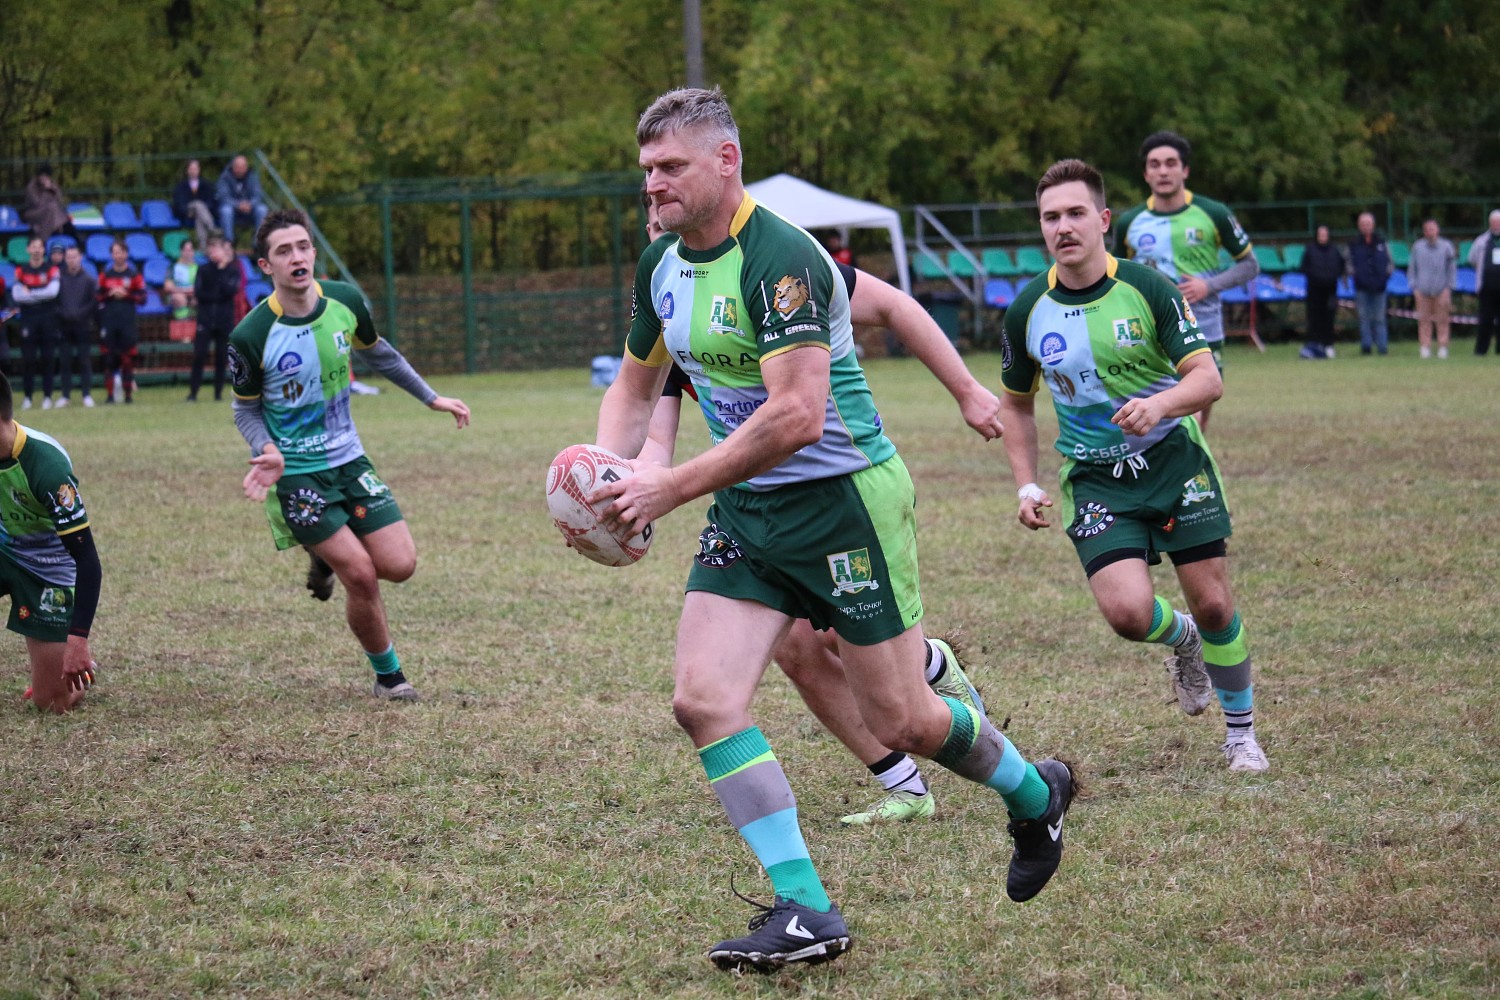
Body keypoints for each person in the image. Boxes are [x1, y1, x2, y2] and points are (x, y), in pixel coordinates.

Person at [592, 88, 1076, 973]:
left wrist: (671, 487)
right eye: (647, 170)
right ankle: (806, 909)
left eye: (670, 167)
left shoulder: (782, 260)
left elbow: (798, 417)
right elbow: (634, 388)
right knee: (703, 700)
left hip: (843, 504)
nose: (653, 185)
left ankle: (1034, 793)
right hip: (749, 509)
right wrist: (601, 479)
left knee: (905, 720)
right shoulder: (661, 264)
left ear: (726, 160)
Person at [636, 187, 1006, 827]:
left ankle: (933, 673)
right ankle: (905, 784)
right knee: (797, 651)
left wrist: (968, 389)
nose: (660, 228)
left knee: (859, 660)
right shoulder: (671, 307)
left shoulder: (778, 266)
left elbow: (892, 305)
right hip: (759, 506)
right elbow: (654, 432)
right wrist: (623, 489)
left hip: (838, 489)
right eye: (651, 218)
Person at [998, 158, 1268, 777]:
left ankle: (1241, 737)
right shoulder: (1027, 309)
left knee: (1215, 605)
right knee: (1126, 614)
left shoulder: (1149, 288)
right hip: (1095, 478)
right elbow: (1015, 405)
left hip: (1174, 462)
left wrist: (1160, 404)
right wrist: (1026, 482)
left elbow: (1207, 379)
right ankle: (1184, 641)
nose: (1063, 227)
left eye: (1075, 213)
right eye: (1050, 217)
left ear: (1103, 220)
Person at [230, 209, 470, 702]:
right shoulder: (251, 336)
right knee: (360, 574)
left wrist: (431, 398)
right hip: (297, 474)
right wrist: (267, 449)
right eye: (283, 251)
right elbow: (245, 410)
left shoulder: (345, 301)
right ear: (266, 266)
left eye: (303, 246)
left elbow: (380, 354)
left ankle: (322, 556)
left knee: (400, 565)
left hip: (349, 460)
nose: (296, 256)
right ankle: (390, 678)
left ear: (313, 252)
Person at [1113, 131, 1257, 433]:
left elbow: (1249, 265)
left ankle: (1193, 453)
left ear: (1185, 170)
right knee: (1168, 413)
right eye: (1155, 165)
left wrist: (1208, 286)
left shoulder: (1213, 213)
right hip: (1150, 330)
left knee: (1199, 409)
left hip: (1204, 325)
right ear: (1146, 174)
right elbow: (1114, 275)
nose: (1163, 171)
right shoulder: (1129, 222)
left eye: (1170, 163)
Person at [0, 371, 102, 712]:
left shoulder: (47, 466)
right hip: (4, 548)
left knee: (52, 703)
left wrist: (78, 639)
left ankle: (77, 669)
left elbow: (87, 560)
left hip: (47, 568)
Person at [11, 236, 62, 411]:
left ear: (43, 250)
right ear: (28, 250)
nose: (36, 250)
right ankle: (28, 397)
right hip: (28, 318)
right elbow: (17, 295)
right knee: (28, 359)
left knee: (48, 357)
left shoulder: (52, 269)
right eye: (33, 247)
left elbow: (52, 292)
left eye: (39, 247)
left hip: (48, 318)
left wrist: (30, 292)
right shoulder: (21, 270)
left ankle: (47, 396)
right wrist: (40, 293)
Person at [189, 235, 241, 402]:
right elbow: (199, 293)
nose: (213, 253)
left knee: (221, 357)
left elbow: (230, 291)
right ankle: (193, 393)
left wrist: (221, 272)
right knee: (199, 355)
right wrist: (216, 294)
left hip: (224, 320)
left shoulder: (232, 270)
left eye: (216, 249)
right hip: (205, 319)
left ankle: (218, 393)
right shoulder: (203, 269)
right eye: (211, 250)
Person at [95, 237, 145, 404]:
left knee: (127, 359)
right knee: (109, 359)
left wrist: (126, 294)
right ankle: (110, 396)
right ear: (111, 255)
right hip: (109, 321)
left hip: (127, 321)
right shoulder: (105, 275)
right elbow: (97, 296)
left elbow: (143, 298)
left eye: (121, 252)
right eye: (115, 252)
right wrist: (110, 294)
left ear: (126, 254)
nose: (118, 255)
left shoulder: (134, 275)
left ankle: (128, 395)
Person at [1406, 219, 1456, 360]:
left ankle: (1442, 347)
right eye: (1427, 230)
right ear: (1424, 232)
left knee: (1443, 320)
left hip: (1442, 290)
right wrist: (1414, 287)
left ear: (1437, 230)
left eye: (1432, 229)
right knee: (1423, 320)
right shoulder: (1418, 247)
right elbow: (1412, 268)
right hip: (1422, 290)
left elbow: (1451, 269)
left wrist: (1449, 287)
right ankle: (1425, 347)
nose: (1430, 232)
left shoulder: (1447, 247)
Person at [54, 245, 97, 408]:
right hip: (64, 326)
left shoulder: (89, 280)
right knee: (65, 361)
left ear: (80, 258)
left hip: (83, 326)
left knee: (84, 360)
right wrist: (63, 314)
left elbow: (93, 303)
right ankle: (65, 395)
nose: (72, 260)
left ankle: (86, 394)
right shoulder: (59, 280)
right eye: (69, 257)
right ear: (65, 259)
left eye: (74, 257)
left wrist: (80, 314)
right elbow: (55, 302)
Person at [1348, 212, 1393, 356]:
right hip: (1361, 287)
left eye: (1368, 224)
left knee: (1380, 318)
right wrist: (1355, 276)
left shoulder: (1382, 242)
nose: (1366, 226)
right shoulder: (1353, 244)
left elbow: (1390, 263)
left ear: (1373, 225)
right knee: (1364, 318)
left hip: (1380, 287)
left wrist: (1384, 277)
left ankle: (1382, 347)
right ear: (1359, 226)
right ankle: (1366, 347)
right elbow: (1349, 263)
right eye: (1363, 224)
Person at [1299, 225, 1346, 359]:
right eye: (1320, 234)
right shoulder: (1310, 249)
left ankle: (1328, 345)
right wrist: (1316, 278)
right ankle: (1313, 345)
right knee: (1314, 318)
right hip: (1314, 291)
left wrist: (1332, 276)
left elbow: (1341, 267)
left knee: (1329, 318)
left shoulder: (1335, 250)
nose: (1323, 237)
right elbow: (1304, 267)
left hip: (1330, 290)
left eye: (1325, 234)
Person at [216, 156, 270, 249]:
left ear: (246, 167)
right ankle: (229, 241)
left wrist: (250, 204)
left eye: (243, 167)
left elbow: (257, 195)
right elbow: (223, 197)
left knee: (262, 209)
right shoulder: (225, 177)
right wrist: (238, 205)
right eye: (238, 167)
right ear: (233, 166)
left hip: (249, 209)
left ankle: (258, 242)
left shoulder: (252, 177)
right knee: (225, 210)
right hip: (233, 209)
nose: (240, 169)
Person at [21, 164, 80, 246]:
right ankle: (72, 237)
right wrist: (45, 190)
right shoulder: (32, 187)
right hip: (35, 213)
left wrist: (52, 189)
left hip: (52, 214)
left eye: (46, 176)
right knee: (53, 209)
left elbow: (60, 201)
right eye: (42, 176)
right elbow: (37, 203)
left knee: (54, 209)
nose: (44, 178)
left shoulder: (52, 185)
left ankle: (62, 234)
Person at [1468, 210, 1500, 356]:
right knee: (1485, 319)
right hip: (1487, 287)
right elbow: (1472, 259)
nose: (1497, 225)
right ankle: (1481, 350)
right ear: (1490, 223)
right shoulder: (1481, 240)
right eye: (1494, 222)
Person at [171, 159, 218, 248]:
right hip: (187, 212)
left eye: (195, 169)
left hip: (201, 213)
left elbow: (211, 200)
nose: (193, 171)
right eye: (191, 169)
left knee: (199, 214)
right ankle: (211, 228)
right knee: (198, 204)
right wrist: (186, 212)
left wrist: (204, 208)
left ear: (199, 170)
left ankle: (203, 246)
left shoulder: (206, 184)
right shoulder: (181, 186)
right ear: (187, 171)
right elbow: (179, 202)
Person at [163, 238, 199, 322]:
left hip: (194, 294)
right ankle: (182, 322)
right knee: (179, 298)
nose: (188, 253)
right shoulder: (173, 267)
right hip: (178, 294)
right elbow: (168, 287)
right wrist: (185, 291)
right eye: (185, 250)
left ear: (193, 252)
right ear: (181, 251)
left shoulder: (199, 268)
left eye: (190, 250)